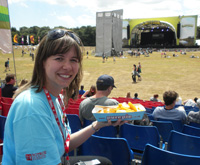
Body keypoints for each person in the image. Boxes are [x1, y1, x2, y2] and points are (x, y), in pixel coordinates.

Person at [2, 29, 126, 164]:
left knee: (104, 162)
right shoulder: (32, 108)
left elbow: (63, 144)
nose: (67, 66)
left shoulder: (54, 97)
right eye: (59, 58)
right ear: (42, 61)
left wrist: (97, 124)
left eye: (73, 60)